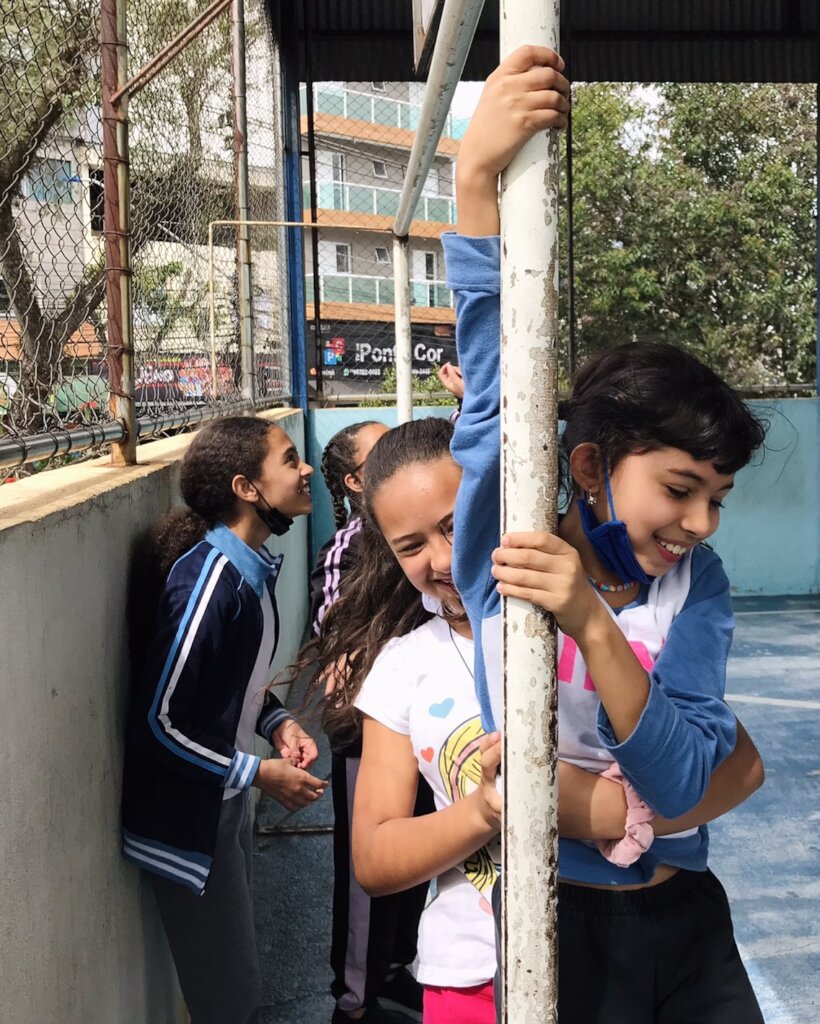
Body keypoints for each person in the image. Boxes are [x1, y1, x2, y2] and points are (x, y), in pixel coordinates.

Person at [447, 45, 767, 1022]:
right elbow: (502, 389)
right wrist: (472, 180)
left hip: (684, 921)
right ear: (589, 468)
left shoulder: (692, 588)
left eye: (717, 495)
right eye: (679, 488)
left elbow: (678, 781)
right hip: (561, 925)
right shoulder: (504, 555)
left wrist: (591, 623)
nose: (701, 523)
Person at [310, 418, 763, 1024]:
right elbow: (374, 857)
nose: (443, 559)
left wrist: (598, 807)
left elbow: (740, 768)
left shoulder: (596, 623)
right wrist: (487, 809)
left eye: (454, 526)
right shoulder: (403, 668)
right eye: (410, 546)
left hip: (646, 933)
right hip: (474, 969)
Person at [121, 416, 326, 1024]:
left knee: (237, 980)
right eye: (290, 460)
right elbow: (158, 721)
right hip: (190, 819)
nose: (306, 468)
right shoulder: (212, 581)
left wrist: (280, 723)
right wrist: (259, 775)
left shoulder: (250, 569)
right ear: (246, 487)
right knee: (231, 996)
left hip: (223, 796)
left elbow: (236, 686)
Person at [308, 418, 429, 1024]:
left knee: (417, 858)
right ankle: (353, 999)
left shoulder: (416, 531)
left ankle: (392, 969)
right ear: (358, 480)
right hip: (368, 735)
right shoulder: (351, 546)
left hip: (422, 728)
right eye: (382, 450)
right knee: (368, 873)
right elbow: (335, 631)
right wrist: (352, 650)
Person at [309, 420, 388, 631]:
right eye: (382, 453)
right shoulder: (347, 549)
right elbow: (330, 627)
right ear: (355, 481)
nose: (397, 456)